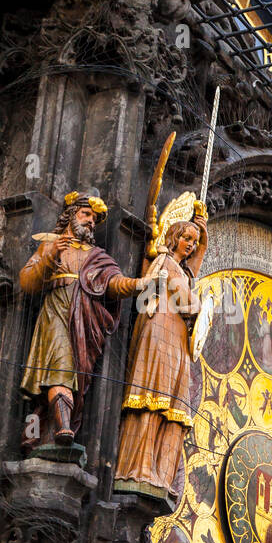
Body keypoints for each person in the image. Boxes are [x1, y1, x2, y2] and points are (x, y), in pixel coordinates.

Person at [18, 191, 148, 450]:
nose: (90, 221)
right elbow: (27, 281)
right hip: (55, 312)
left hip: (84, 321)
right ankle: (63, 428)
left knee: (67, 377)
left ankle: (36, 432)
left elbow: (114, 284)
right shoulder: (50, 244)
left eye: (94, 218)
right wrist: (51, 255)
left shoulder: (97, 256)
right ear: (70, 215)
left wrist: (139, 284)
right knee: (59, 371)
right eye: (85, 214)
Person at [113, 203, 208, 497]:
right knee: (153, 396)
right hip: (161, 333)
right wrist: (204, 309)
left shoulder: (180, 269)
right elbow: (186, 301)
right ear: (173, 237)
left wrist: (203, 231)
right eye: (186, 239)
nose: (191, 246)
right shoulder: (166, 263)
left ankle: (159, 472)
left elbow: (192, 271)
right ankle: (138, 466)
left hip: (176, 338)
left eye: (194, 242)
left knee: (171, 404)